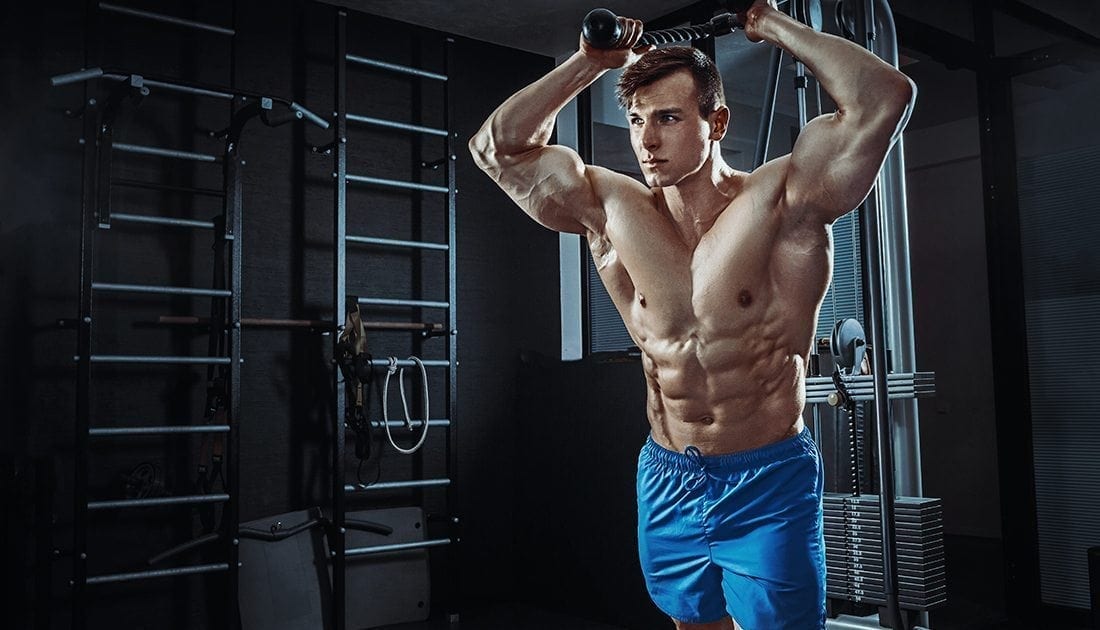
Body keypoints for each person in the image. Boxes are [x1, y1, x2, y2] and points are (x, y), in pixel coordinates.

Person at [469, 1, 916, 628]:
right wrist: (589, 64)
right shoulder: (611, 212)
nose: (647, 140)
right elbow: (497, 148)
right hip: (668, 474)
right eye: (637, 120)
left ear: (717, 121)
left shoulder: (783, 201)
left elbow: (883, 98)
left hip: (766, 480)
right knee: (692, 624)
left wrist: (772, 27)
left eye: (670, 118)